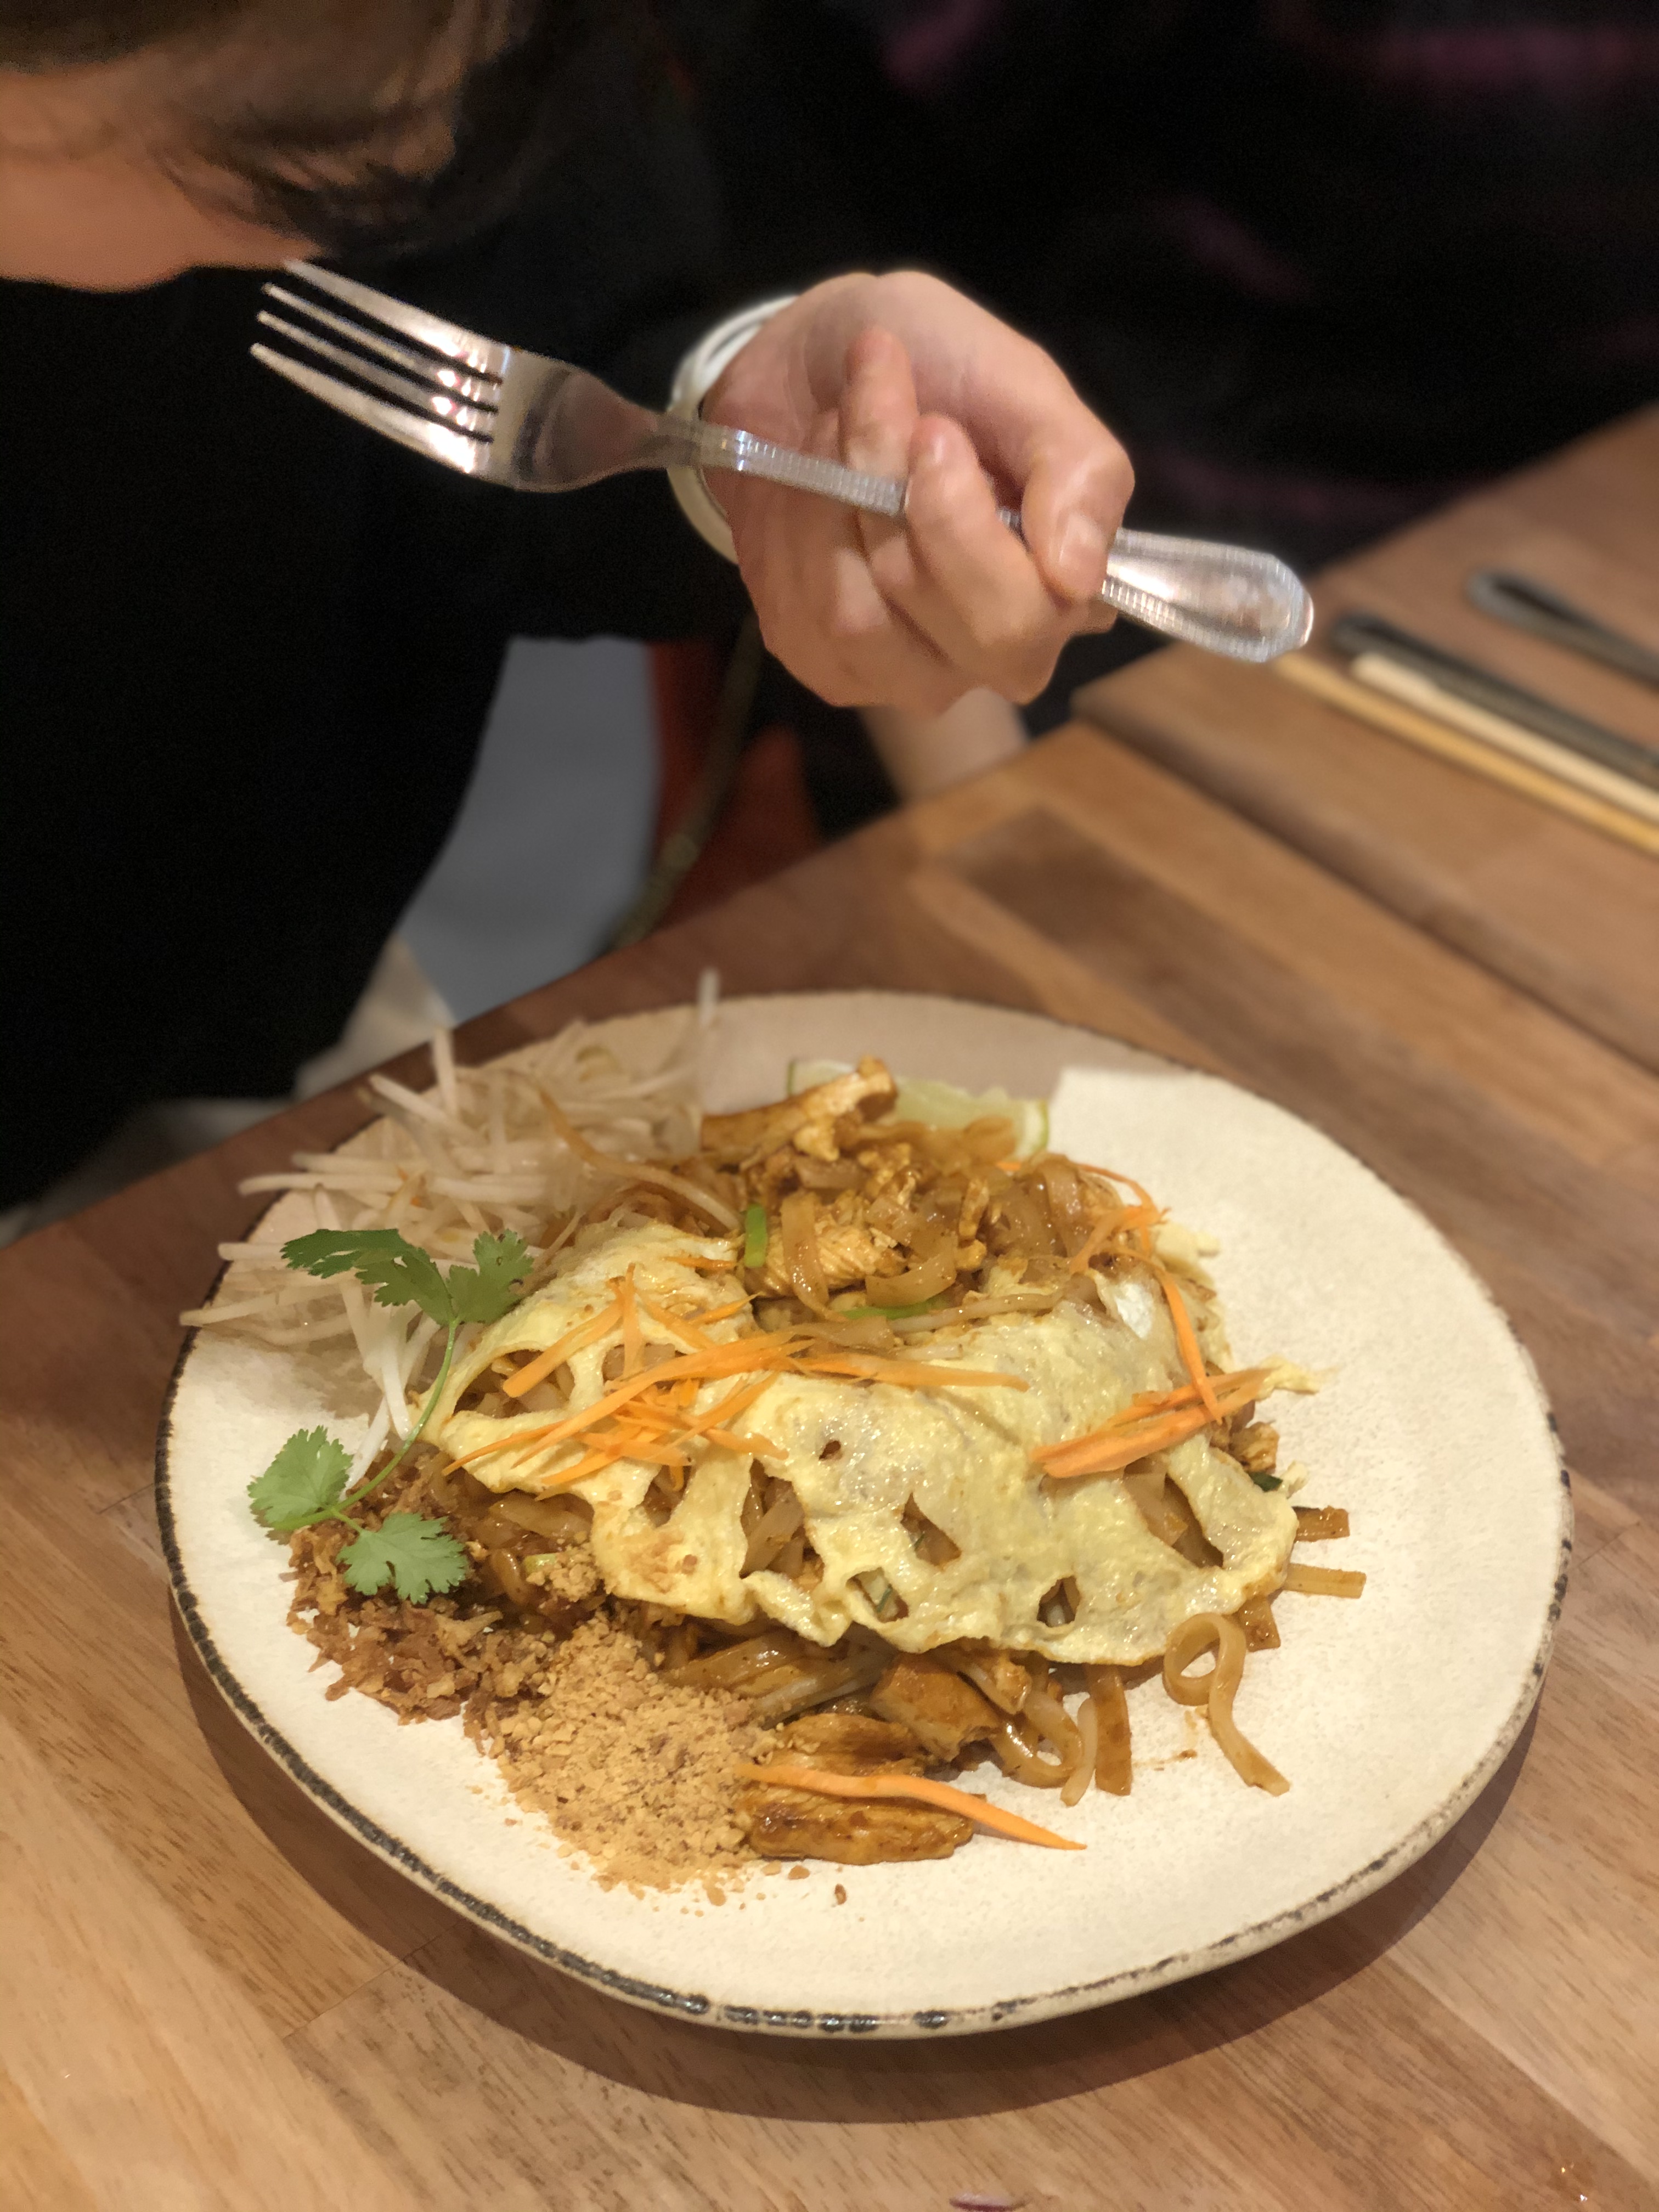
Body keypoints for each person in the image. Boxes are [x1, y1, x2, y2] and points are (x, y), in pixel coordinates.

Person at [0, 0, 1132, 1211]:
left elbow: (546, 364)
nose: (436, 148)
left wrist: (744, 428)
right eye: (312, 149)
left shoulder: (473, 73)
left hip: (212, 1032)